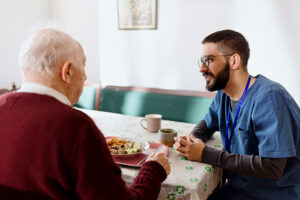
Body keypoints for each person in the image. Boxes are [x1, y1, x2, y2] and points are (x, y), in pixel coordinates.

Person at [0, 28, 170, 199]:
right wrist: (153, 170)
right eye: (84, 64)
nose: (85, 75)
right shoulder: (76, 126)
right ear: (67, 71)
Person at [174, 30, 300, 200]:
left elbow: (273, 167)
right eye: (202, 61)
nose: (202, 69)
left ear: (234, 60)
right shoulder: (224, 94)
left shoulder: (270, 97)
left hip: (274, 194)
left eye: (209, 60)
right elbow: (208, 123)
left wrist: (205, 154)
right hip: (237, 189)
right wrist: (190, 141)